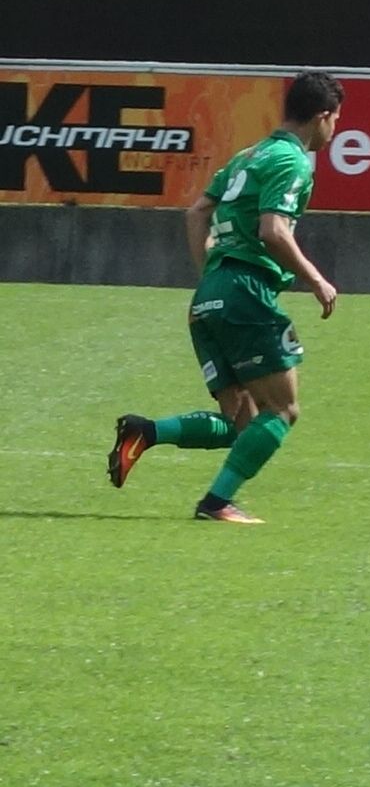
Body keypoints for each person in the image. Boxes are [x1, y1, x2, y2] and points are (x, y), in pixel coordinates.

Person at [106, 71, 345, 523]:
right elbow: (273, 230)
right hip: (246, 291)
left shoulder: (247, 156)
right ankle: (216, 503)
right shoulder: (292, 161)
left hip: (209, 294)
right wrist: (317, 280)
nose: (335, 131)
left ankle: (146, 432)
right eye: (336, 120)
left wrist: (212, 276)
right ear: (323, 116)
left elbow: (196, 212)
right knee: (282, 410)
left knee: (242, 424)